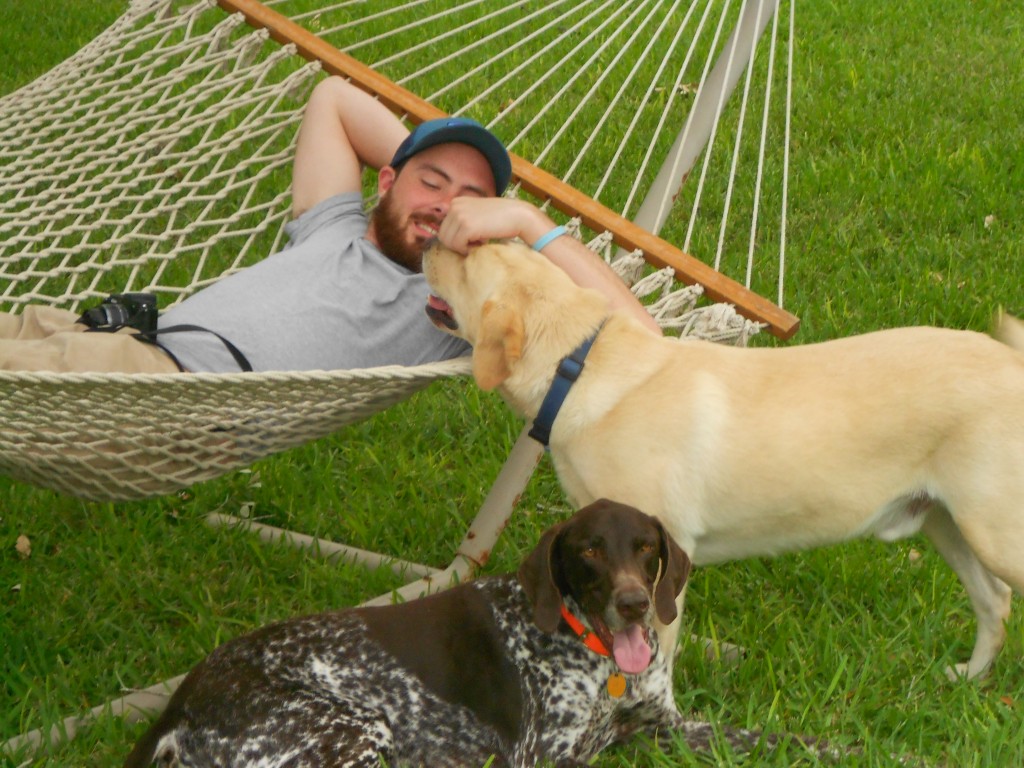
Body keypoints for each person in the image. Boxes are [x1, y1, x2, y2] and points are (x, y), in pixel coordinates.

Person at [0, 77, 659, 374]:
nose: (446, 205)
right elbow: (334, 100)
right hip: (100, 332)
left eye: (470, 199)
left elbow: (639, 333)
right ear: (385, 180)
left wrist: (523, 220)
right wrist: (418, 173)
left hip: (156, 389)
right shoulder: (333, 227)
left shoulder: (455, 306)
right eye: (432, 183)